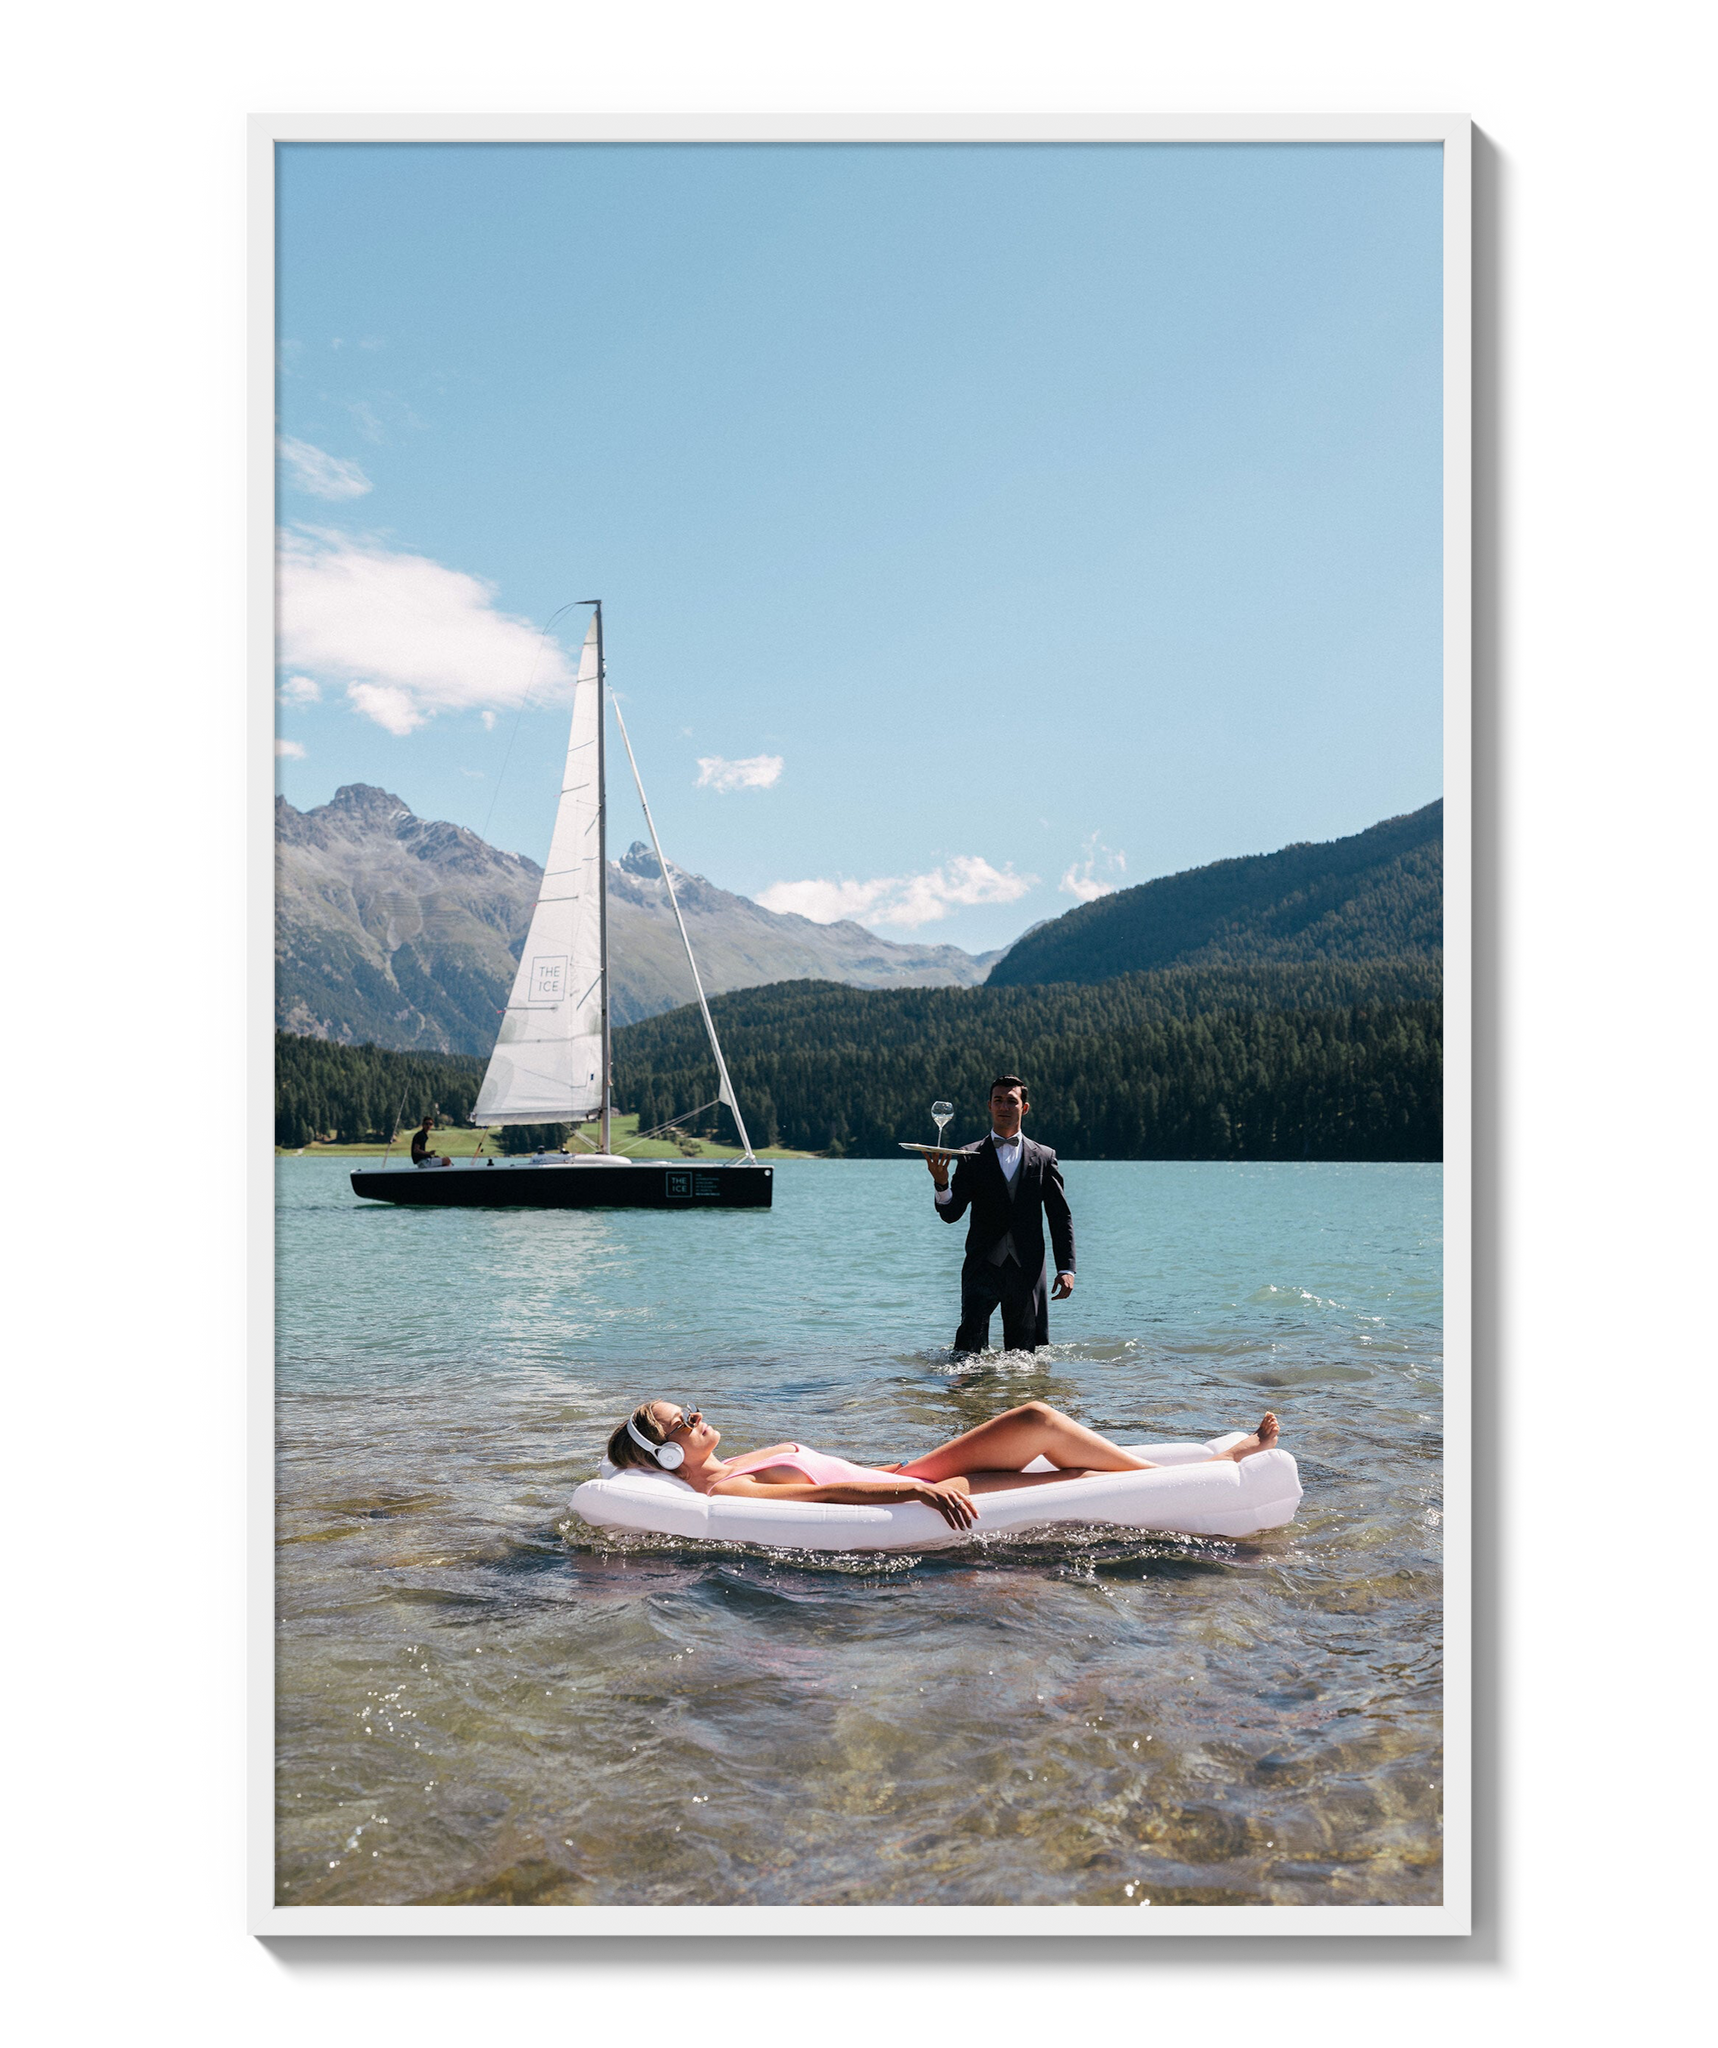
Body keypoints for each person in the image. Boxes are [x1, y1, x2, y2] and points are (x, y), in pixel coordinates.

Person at [606, 1398, 1281, 1532]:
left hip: (911, 1470)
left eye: (687, 1409)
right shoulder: (731, 1488)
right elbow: (826, 1498)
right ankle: (1218, 1464)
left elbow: (830, 1467)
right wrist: (919, 1496)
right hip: (917, 1490)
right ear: (668, 1454)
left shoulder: (734, 1460)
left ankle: (1213, 1459)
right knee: (1042, 1430)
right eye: (681, 1422)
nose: (696, 1416)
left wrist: (898, 1469)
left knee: (1043, 1433)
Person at [925, 1075, 1074, 1356]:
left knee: (1025, 1356)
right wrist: (941, 1183)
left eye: (1011, 1101)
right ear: (989, 1106)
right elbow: (951, 1214)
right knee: (966, 1354)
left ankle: (1021, 1399)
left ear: (1024, 1108)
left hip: (1027, 1268)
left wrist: (1066, 1268)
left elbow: (1059, 1216)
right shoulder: (969, 1155)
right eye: (998, 1101)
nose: (1004, 1106)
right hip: (982, 1267)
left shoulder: (1044, 1156)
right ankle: (967, 1400)